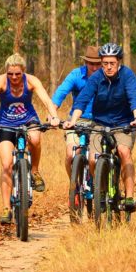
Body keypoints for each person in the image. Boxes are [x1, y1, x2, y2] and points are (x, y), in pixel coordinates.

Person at [0, 53, 60, 225]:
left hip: (28, 120)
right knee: (7, 164)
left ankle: (35, 171)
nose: (14, 77)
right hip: (6, 124)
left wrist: (53, 117)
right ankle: (6, 208)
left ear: (23, 71)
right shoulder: (0, 82)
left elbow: (46, 101)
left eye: (17, 74)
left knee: (36, 139)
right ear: (6, 72)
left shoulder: (31, 81)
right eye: (10, 74)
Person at [66, 42, 136, 212]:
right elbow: (83, 99)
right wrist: (73, 120)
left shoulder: (127, 76)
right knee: (94, 159)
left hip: (124, 124)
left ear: (119, 62)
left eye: (112, 63)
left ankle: (129, 197)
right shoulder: (96, 78)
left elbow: (134, 98)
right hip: (100, 124)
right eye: (105, 63)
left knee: (124, 152)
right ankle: (100, 191)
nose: (108, 67)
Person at [52, 45, 103, 178]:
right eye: (91, 64)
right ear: (86, 62)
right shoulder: (76, 75)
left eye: (98, 64)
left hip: (100, 120)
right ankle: (74, 188)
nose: (95, 68)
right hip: (77, 120)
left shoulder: (107, 76)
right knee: (71, 155)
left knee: (100, 155)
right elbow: (60, 93)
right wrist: (52, 114)